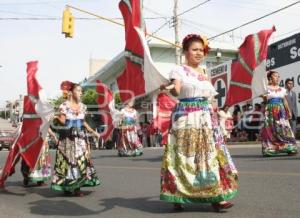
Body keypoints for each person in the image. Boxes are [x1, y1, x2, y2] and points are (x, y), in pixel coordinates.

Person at [160, 34, 238, 212]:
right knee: (185, 157)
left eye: (201, 50)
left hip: (206, 118)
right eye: (194, 49)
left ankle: (216, 197)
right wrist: (168, 88)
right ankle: (178, 194)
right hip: (186, 118)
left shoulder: (203, 72)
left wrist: (215, 114)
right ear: (186, 52)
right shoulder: (178, 70)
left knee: (209, 156)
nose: (199, 53)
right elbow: (177, 89)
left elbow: (210, 97)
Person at [51, 82, 101, 196]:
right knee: (69, 162)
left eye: (81, 91)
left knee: (81, 160)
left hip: (80, 137)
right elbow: (63, 121)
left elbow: (83, 122)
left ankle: (77, 187)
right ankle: (68, 186)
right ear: (72, 92)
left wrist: (93, 133)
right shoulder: (64, 105)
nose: (80, 93)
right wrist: (57, 117)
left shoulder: (83, 106)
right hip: (68, 137)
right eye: (78, 90)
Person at [260, 71, 297, 156]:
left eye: (278, 76)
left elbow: (284, 101)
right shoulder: (266, 89)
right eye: (275, 76)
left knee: (284, 128)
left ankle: (289, 147)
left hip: (281, 112)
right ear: (270, 78)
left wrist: (289, 111)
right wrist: (264, 97)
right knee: (271, 129)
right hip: (269, 111)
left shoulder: (282, 90)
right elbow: (265, 101)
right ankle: (270, 148)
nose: (277, 78)